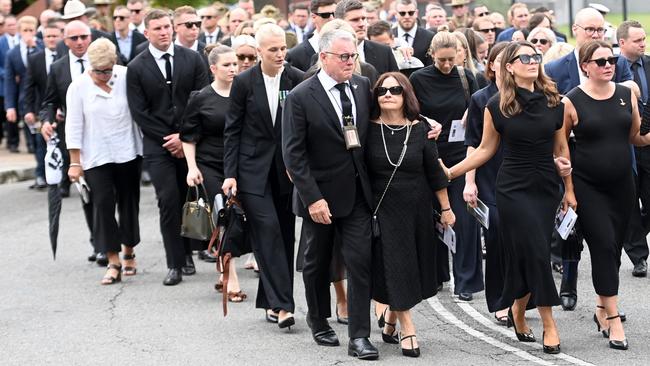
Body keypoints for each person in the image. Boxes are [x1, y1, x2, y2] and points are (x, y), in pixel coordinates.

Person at [442, 40, 574, 354]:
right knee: (537, 252)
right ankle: (549, 323)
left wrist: (569, 189)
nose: (532, 60)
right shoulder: (496, 105)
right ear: (510, 67)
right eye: (524, 57)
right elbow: (485, 149)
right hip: (513, 187)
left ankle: (516, 307)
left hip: (545, 185)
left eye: (536, 56)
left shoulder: (556, 101)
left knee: (532, 251)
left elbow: (561, 148)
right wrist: (451, 173)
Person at [282, 28, 378, 360]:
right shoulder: (300, 96)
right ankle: (318, 318)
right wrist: (312, 198)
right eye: (344, 56)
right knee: (317, 263)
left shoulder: (362, 86)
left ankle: (360, 336)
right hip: (319, 198)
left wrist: (423, 123)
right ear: (324, 57)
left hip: (358, 195)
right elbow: (293, 155)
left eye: (354, 55)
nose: (351, 61)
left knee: (360, 263)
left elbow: (383, 122)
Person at [544, 7, 636, 312]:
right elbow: (553, 124)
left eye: (601, 31)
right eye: (591, 30)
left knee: (610, 243)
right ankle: (570, 282)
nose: (597, 35)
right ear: (576, 30)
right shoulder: (556, 69)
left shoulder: (618, 70)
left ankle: (602, 305)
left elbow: (630, 122)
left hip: (618, 169)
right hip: (576, 168)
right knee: (575, 234)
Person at [565, 40, 650, 351]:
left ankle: (601, 309)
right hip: (588, 186)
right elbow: (561, 150)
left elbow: (636, 137)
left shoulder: (626, 94)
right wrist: (568, 190)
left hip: (622, 185)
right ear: (585, 65)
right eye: (599, 61)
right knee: (601, 244)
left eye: (611, 59)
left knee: (613, 249)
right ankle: (614, 318)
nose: (607, 65)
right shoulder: (571, 101)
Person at [222, 23, 303, 329]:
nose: (281, 54)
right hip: (252, 170)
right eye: (273, 50)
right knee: (267, 231)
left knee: (283, 235)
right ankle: (284, 306)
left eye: (283, 48)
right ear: (259, 52)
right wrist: (230, 174)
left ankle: (269, 300)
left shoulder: (295, 79)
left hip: (286, 172)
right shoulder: (243, 82)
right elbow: (233, 129)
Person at [368, 72, 454, 358]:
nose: (388, 94)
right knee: (396, 265)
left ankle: (391, 319)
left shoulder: (421, 129)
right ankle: (408, 327)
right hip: (382, 209)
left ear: (406, 95)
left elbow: (434, 172)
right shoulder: (366, 129)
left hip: (416, 209)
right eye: (382, 90)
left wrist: (446, 208)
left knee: (410, 267)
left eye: (395, 90)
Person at [126, 9, 209, 286]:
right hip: (158, 146)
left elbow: (201, 99)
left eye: (166, 27)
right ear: (147, 32)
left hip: (190, 142)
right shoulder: (137, 66)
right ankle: (174, 262)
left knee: (190, 197)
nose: (164, 32)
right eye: (157, 29)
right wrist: (169, 138)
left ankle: (189, 252)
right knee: (168, 201)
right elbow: (140, 112)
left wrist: (183, 136)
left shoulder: (193, 59)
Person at [410, 31, 482, 302]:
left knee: (464, 219)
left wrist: (470, 112)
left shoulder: (466, 77)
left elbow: (479, 110)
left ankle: (466, 281)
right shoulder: (418, 79)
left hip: (462, 154)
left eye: (452, 59)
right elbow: (412, 112)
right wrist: (428, 121)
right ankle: (437, 275)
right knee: (434, 217)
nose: (447, 65)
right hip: (430, 153)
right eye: (442, 60)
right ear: (431, 55)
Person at [65, 38, 142, 285]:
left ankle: (129, 249)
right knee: (103, 206)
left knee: (129, 202)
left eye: (107, 70)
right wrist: (74, 162)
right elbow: (73, 125)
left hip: (128, 151)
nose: (103, 75)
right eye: (97, 71)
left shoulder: (127, 76)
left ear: (115, 63)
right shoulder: (78, 87)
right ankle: (113, 259)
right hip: (96, 156)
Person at [180, 44, 245, 301]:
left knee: (240, 216)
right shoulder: (201, 97)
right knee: (223, 216)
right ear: (213, 68)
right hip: (210, 164)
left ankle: (223, 267)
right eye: (227, 64)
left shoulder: (245, 93)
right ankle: (232, 276)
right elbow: (188, 136)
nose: (232, 68)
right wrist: (192, 167)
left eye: (235, 64)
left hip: (240, 164)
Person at [39, 20, 98, 263]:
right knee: (87, 193)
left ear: (90, 37)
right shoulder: (58, 68)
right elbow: (49, 102)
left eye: (84, 36)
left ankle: (115, 241)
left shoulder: (103, 61)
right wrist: (47, 119)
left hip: (104, 135)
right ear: (66, 41)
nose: (80, 42)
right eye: (74, 39)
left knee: (106, 193)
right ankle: (99, 243)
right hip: (75, 138)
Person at [463, 41, 512, 325]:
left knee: (522, 242)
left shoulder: (528, 95)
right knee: (496, 242)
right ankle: (500, 301)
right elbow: (473, 144)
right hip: (491, 176)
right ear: (491, 65)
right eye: (499, 60)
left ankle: (522, 297)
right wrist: (469, 182)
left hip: (524, 175)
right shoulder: (481, 99)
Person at [618, 20, 650, 277]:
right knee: (629, 202)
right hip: (623, 144)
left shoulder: (649, 64)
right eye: (637, 40)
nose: (643, 43)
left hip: (648, 142)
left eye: (644, 38)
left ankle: (635, 231)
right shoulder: (611, 68)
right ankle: (639, 256)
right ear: (622, 43)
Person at [24, 22, 63, 190]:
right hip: (43, 108)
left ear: (61, 37)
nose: (52, 39)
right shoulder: (35, 59)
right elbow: (29, 87)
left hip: (65, 108)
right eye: (48, 36)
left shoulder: (66, 57)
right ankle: (42, 176)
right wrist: (29, 110)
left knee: (65, 143)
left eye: (55, 36)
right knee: (43, 142)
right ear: (43, 39)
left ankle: (65, 178)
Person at [4, 16, 43, 182]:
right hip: (24, 102)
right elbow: (9, 81)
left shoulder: (41, 47)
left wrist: (34, 48)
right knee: (32, 139)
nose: (28, 34)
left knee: (43, 138)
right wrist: (10, 106)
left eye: (31, 31)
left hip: (42, 99)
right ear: (19, 32)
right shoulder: (12, 54)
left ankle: (42, 174)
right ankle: (40, 170)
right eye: (25, 31)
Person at [335, 0, 398, 75]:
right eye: (355, 20)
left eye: (364, 18)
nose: (361, 24)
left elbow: (395, 83)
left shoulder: (384, 52)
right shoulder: (329, 54)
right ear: (339, 22)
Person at [286, 0, 336, 72]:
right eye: (325, 15)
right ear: (313, 17)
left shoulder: (349, 45)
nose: (332, 19)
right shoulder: (295, 55)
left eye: (335, 14)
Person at [393, 0, 434, 66]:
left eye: (411, 13)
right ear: (396, 14)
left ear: (416, 13)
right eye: (402, 13)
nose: (407, 16)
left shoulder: (429, 37)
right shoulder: (390, 35)